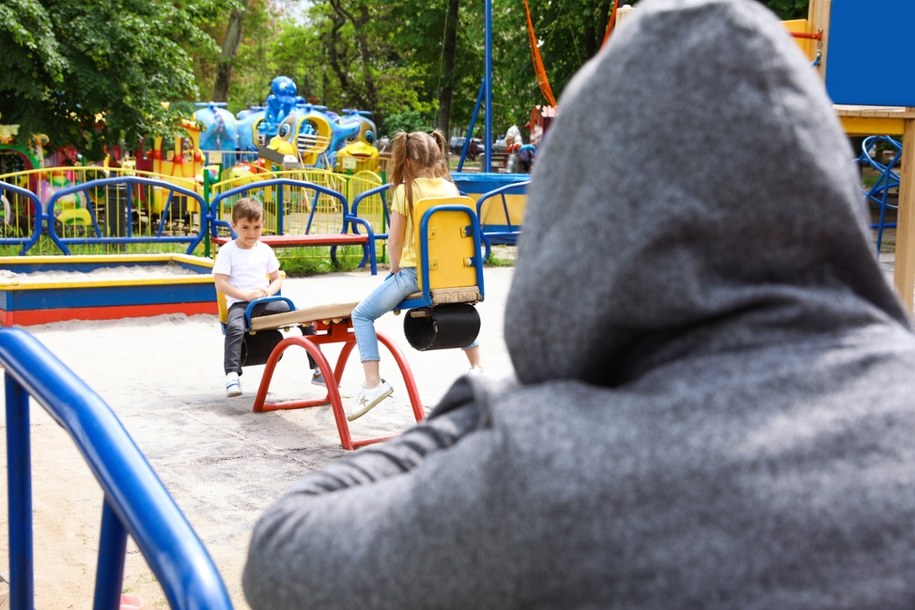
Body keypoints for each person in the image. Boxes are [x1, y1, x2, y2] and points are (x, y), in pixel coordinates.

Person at [244, 0, 915, 607]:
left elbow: (283, 549)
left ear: (579, 214)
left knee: (363, 313)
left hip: (420, 298)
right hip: (449, 282)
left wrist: (488, 415)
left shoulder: (545, 470)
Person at [345, 130, 483, 421]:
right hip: (455, 274)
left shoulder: (404, 192)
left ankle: (373, 384)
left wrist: (394, 270)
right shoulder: (451, 190)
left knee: (361, 315)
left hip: (415, 275)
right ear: (438, 155)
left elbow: (394, 242)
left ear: (406, 161)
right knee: (456, 303)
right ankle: (477, 368)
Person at [213, 197, 322, 398]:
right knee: (235, 328)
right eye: (245, 227)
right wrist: (245, 295)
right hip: (240, 303)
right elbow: (220, 283)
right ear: (234, 226)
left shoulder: (264, 250)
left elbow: (276, 278)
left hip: (264, 303)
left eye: (257, 227)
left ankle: (318, 369)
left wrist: (269, 292)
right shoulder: (228, 251)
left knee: (305, 317)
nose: (251, 233)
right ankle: (232, 376)